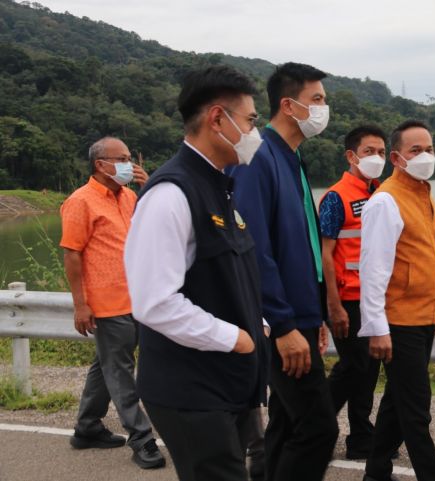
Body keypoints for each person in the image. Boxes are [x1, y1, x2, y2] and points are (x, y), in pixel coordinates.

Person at [124, 65, 270, 481]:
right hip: (191, 388)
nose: (253, 132)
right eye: (250, 120)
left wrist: (255, 325)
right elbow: (154, 301)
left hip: (226, 380)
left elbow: (222, 276)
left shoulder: (219, 186)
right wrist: (236, 338)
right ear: (218, 119)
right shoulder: (171, 193)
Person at [229, 61, 338, 481]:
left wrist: (316, 316)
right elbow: (254, 247)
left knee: (287, 423)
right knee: (318, 429)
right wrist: (284, 323)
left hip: (300, 316)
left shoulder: (291, 157)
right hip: (281, 322)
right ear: (288, 105)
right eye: (317, 100)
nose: (323, 109)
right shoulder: (258, 156)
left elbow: (303, 244)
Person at [60, 136, 165, 470]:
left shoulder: (131, 196)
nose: (128, 163)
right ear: (100, 165)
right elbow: (72, 254)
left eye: (129, 157)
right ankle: (141, 438)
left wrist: (150, 187)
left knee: (105, 364)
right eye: (121, 158)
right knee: (120, 370)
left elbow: (155, 227)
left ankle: (87, 427)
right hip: (106, 303)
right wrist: (81, 304)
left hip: (136, 298)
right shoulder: (81, 201)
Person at [358, 120, 435, 481]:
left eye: (429, 148)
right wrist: (377, 328)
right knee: (416, 412)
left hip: (422, 318)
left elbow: (428, 259)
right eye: (415, 150)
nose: (425, 156)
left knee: (397, 403)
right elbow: (373, 270)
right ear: (396, 157)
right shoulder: (385, 201)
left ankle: (375, 473)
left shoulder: (423, 194)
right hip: (399, 323)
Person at [319, 125, 386, 460]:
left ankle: (361, 437)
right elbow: (326, 254)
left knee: (368, 369)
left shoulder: (381, 193)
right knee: (354, 365)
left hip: (374, 299)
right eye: (369, 151)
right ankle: (314, 426)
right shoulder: (335, 197)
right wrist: (333, 304)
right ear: (351, 155)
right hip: (346, 298)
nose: (376, 158)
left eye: (382, 153)